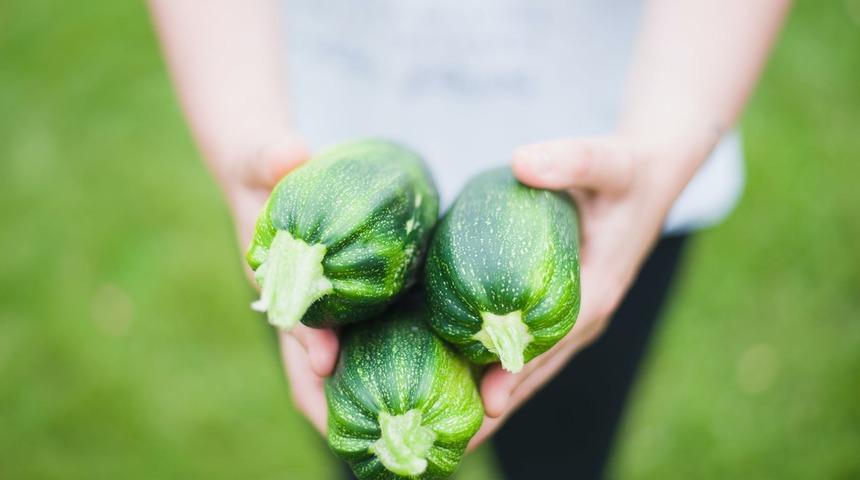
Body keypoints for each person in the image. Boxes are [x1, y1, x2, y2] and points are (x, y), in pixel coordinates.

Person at [148, 1, 790, 478]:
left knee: (566, 455)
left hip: (617, 173)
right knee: (365, 446)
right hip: (321, 157)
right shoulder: (304, 234)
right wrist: (241, 132)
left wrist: (664, 153)